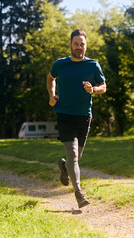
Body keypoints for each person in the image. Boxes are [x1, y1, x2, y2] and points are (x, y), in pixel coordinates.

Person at [46, 29, 107, 208]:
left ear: (85, 46)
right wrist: (52, 95)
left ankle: (64, 166)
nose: (79, 47)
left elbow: (103, 86)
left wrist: (94, 90)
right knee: (72, 154)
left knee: (75, 157)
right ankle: (79, 193)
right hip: (64, 114)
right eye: (76, 44)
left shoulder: (93, 65)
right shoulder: (60, 64)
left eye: (82, 44)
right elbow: (51, 78)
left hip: (84, 116)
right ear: (70, 45)